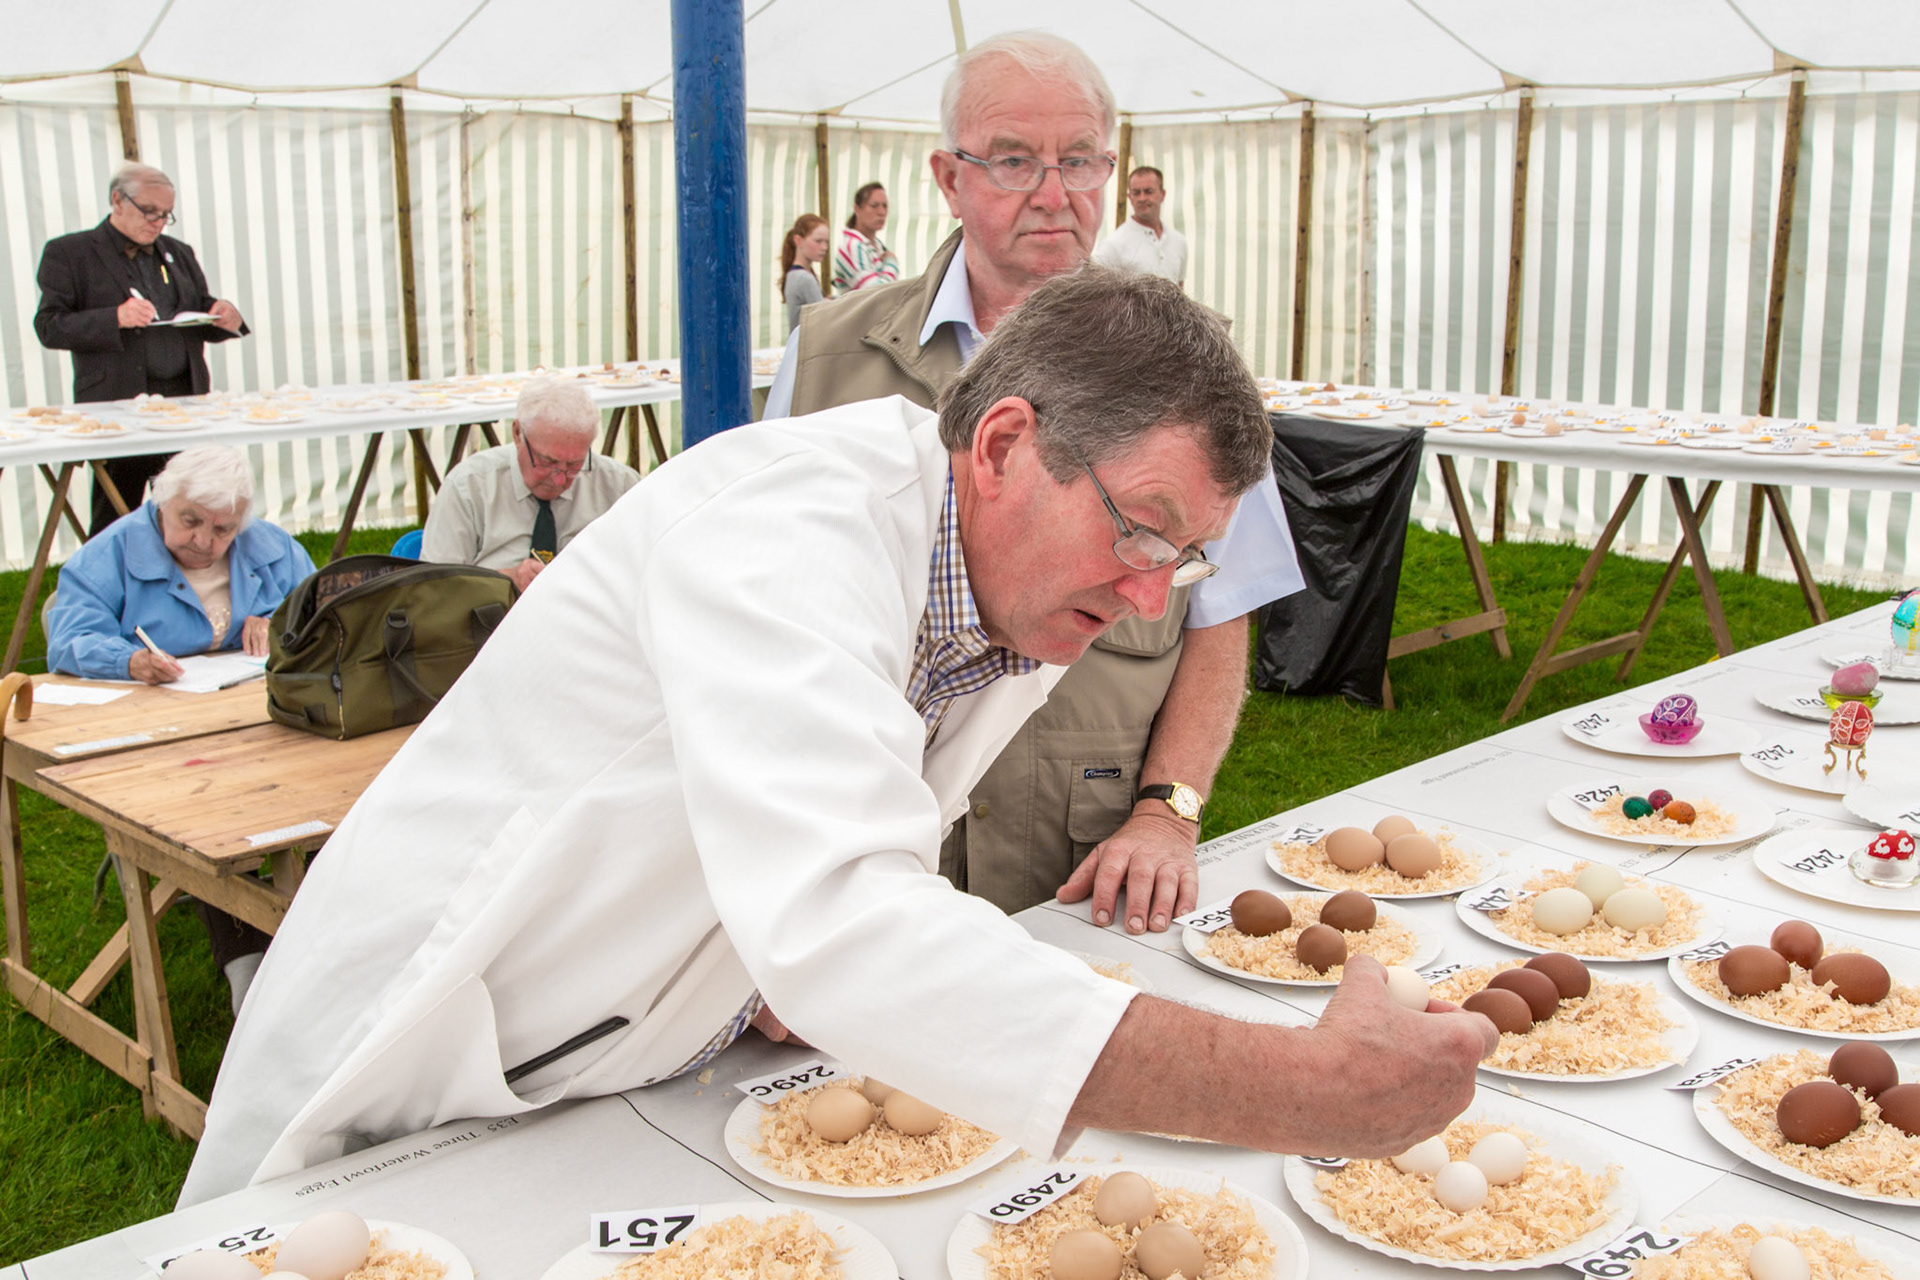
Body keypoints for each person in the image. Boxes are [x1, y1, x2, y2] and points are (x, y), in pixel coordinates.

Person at [181, 269, 1494, 1205]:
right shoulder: (785, 535)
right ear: (1003, 445)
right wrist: (1303, 1092)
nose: (1155, 592)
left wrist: (739, 957)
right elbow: (851, 928)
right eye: (1143, 529)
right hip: (411, 1056)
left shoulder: (1016, 583)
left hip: (604, 1069)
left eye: (1189, 557)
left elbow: (834, 835)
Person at [767, 32, 1303, 930]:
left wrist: (1166, 813)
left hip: (1078, 860)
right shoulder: (827, 354)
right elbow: (771, 612)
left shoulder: (1191, 367)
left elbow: (1223, 612)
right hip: (867, 851)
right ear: (948, 177)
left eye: (1081, 160)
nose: (1055, 195)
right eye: (1014, 161)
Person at [46, 445, 315, 1012]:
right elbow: (68, 637)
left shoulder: (269, 548)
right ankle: (249, 965)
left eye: (223, 529)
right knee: (214, 823)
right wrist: (127, 661)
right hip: (158, 740)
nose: (204, 540)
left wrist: (280, 623)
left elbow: (322, 607)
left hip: (257, 726)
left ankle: (317, 938)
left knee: (321, 799)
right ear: (160, 503)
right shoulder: (111, 553)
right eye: (190, 521)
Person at [33, 163, 249, 534]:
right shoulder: (70, 252)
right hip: (117, 404)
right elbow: (49, 326)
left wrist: (224, 316)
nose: (159, 222)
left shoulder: (179, 252)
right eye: (150, 211)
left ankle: (185, 581)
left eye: (166, 214)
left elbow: (195, 307)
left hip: (184, 405)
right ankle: (108, 585)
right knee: (117, 518)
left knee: (189, 510)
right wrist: (113, 317)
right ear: (117, 200)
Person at [420, 377, 640, 592]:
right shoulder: (468, 486)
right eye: (547, 462)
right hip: (492, 622)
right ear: (517, 434)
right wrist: (505, 580)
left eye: (575, 464)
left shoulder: (620, 486)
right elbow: (432, 586)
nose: (560, 479)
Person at [1093, 165, 1188, 286]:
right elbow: (1096, 293)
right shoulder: (1113, 244)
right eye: (1136, 193)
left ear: (1162, 194)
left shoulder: (1178, 241)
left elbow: (1180, 291)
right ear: (1130, 198)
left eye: (1148, 192)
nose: (1142, 198)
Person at [833, 181, 900, 293]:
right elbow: (876, 294)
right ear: (857, 209)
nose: (882, 212)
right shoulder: (853, 246)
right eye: (874, 206)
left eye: (885, 206)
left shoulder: (876, 245)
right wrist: (891, 263)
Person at [781, 214, 831, 335]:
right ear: (798, 241)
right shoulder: (804, 278)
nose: (824, 247)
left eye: (826, 242)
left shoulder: (794, 274)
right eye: (818, 241)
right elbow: (824, 317)